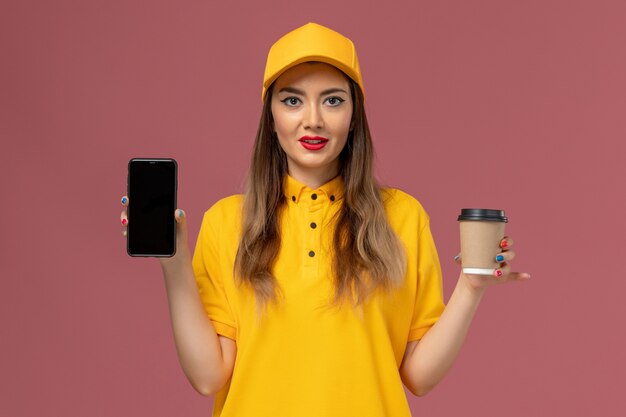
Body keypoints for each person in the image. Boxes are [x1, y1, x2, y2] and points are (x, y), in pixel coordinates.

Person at [120, 22, 530, 417]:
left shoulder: (403, 217)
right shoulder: (227, 222)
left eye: (333, 100)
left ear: (354, 116)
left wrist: (472, 287)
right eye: (292, 100)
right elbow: (209, 377)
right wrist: (174, 264)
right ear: (271, 117)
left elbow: (419, 376)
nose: (312, 119)